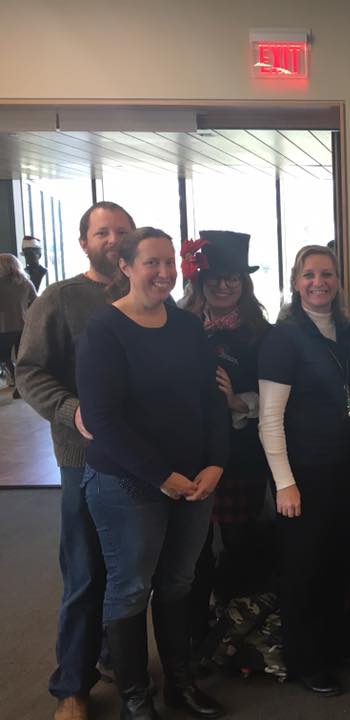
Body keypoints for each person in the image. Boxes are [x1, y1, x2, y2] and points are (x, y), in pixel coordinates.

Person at [76, 226, 229, 720]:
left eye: (169, 263)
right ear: (125, 267)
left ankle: (178, 686)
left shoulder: (186, 327)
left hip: (193, 479)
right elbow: (102, 421)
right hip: (128, 482)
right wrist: (161, 474)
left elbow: (211, 400)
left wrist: (216, 461)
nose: (164, 272)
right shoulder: (104, 330)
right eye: (152, 263)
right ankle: (136, 701)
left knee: (179, 583)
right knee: (131, 588)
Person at [17, 201, 135, 720]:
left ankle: (113, 657)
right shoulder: (60, 299)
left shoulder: (150, 296)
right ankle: (72, 685)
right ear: (84, 241)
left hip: (142, 461)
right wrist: (70, 410)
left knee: (130, 571)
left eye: (122, 231)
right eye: (102, 231)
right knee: (86, 572)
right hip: (82, 460)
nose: (113, 239)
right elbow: (31, 372)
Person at [258, 245, 350, 696]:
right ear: (295, 281)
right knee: (303, 569)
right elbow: (269, 418)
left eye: (327, 274)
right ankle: (305, 661)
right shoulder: (283, 338)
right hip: (302, 474)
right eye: (309, 275)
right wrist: (285, 483)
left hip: (345, 469)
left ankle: (332, 645)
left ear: (338, 280)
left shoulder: (348, 331)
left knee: (337, 561)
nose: (318, 282)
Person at [180, 230, 271, 642]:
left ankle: (239, 630)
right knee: (193, 550)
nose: (223, 285)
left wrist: (239, 402)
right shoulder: (176, 326)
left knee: (239, 542)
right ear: (199, 281)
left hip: (241, 454)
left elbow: (277, 392)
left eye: (232, 277)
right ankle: (196, 634)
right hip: (188, 454)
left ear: (243, 282)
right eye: (214, 277)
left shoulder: (260, 332)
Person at [0, 253, 37, 396]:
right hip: (22, 325)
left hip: (2, 327)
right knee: (20, 357)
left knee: (4, 357)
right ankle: (19, 388)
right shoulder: (25, 282)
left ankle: (11, 373)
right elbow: (35, 300)